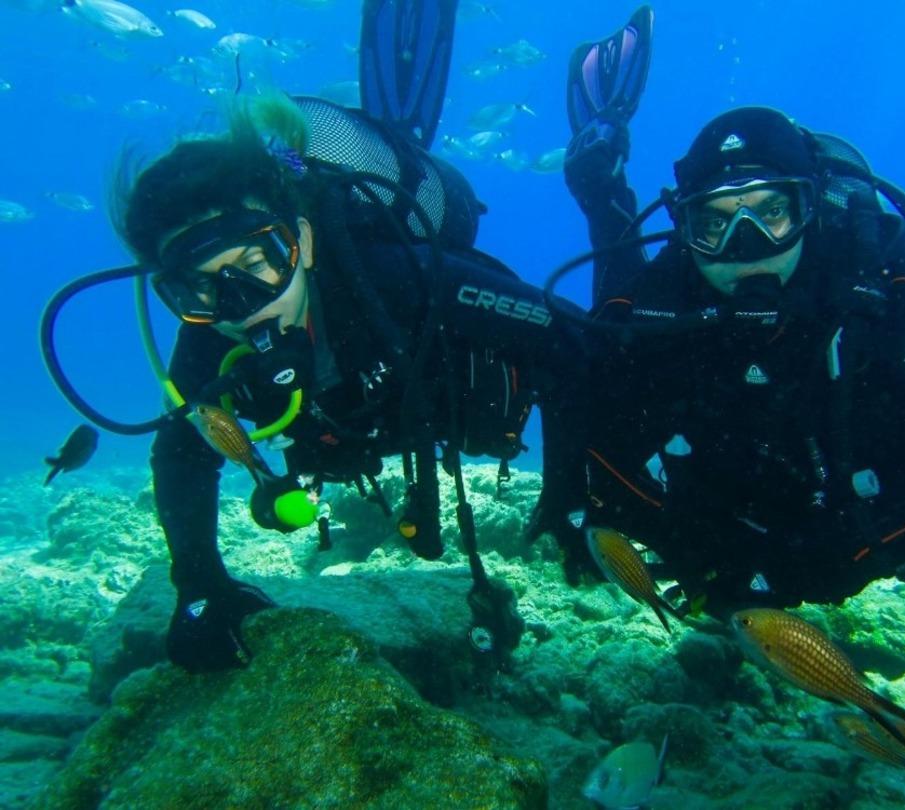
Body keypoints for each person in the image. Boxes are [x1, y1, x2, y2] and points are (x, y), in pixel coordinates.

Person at [42, 0, 586, 674]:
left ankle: (403, 131)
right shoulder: (210, 336)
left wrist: (570, 492)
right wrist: (201, 585)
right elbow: (183, 455)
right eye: (199, 288)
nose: (238, 305)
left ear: (299, 241)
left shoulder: (398, 279)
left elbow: (573, 342)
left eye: (256, 264)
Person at [553, 7, 905, 702]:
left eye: (770, 211)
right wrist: (667, 531)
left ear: (811, 211)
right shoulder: (664, 294)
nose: (745, 244)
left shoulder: (892, 294)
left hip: (882, 507)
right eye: (715, 221)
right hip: (753, 497)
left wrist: (849, 556)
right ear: (687, 231)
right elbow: (602, 389)